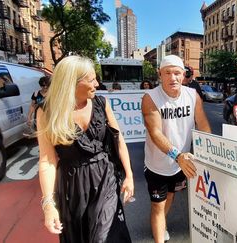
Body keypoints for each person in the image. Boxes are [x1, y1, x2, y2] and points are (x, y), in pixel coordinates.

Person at [36, 56, 134, 243]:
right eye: (91, 79)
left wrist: (129, 175)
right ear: (72, 82)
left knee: (104, 237)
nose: (97, 83)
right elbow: (47, 161)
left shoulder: (101, 103)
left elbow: (118, 140)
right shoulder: (47, 111)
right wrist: (48, 204)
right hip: (72, 186)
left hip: (105, 177)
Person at [141, 55, 211, 243]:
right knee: (157, 205)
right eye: (168, 73)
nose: (173, 78)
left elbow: (203, 124)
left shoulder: (192, 95)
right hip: (158, 164)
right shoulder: (150, 98)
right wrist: (177, 155)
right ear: (160, 75)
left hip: (181, 163)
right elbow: (155, 133)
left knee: (170, 196)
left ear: (184, 75)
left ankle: (160, 225)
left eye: (177, 73)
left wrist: (209, 152)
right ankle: (159, 234)